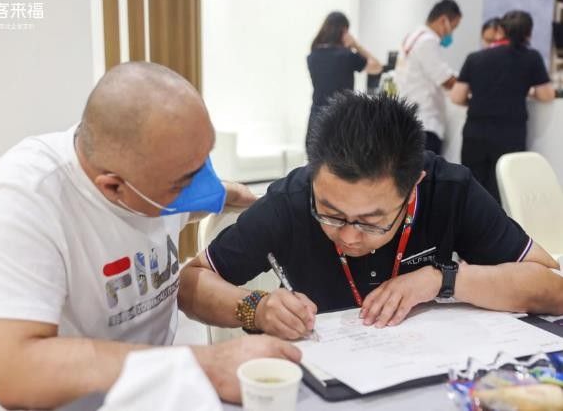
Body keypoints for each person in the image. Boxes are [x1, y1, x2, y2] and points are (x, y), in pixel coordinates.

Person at [0, 62, 301, 411]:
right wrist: (205, 365)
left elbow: (195, 195)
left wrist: (228, 195)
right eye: (183, 183)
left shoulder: (157, 176)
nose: (200, 187)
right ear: (113, 187)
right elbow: (15, 372)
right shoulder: (26, 198)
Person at [178, 92, 563, 340]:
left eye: (371, 221)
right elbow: (191, 283)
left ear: (414, 185)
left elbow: (551, 286)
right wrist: (255, 308)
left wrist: (442, 281)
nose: (349, 236)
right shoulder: (290, 201)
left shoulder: (450, 190)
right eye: (330, 214)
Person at [451, 10, 555, 203]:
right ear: (528, 34)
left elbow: (457, 96)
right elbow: (547, 95)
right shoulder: (531, 58)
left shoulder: (475, 58)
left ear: (501, 31)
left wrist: (478, 100)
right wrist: (529, 91)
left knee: (472, 190)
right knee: (503, 192)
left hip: (475, 133)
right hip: (509, 135)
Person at [395, 0, 462, 155]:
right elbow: (445, 79)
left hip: (409, 118)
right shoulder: (427, 41)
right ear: (443, 20)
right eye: (453, 27)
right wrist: (467, 83)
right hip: (426, 122)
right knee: (427, 168)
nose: (451, 33)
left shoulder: (413, 36)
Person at [306, 11, 382, 147]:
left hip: (316, 118)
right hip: (341, 118)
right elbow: (377, 67)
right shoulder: (346, 56)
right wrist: (356, 45)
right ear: (344, 30)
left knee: (316, 158)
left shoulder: (312, 56)